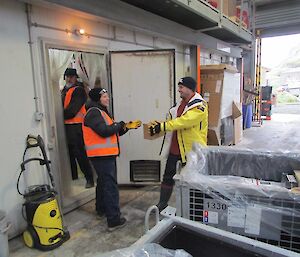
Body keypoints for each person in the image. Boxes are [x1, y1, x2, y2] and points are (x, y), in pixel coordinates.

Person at [82, 87, 141, 231]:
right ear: (97, 98)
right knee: (110, 186)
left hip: (104, 155)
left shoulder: (101, 112)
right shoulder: (94, 113)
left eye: (107, 96)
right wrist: (118, 125)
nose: (107, 98)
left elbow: (112, 133)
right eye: (104, 96)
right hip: (101, 156)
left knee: (103, 183)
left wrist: (126, 127)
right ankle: (114, 220)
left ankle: (101, 209)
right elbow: (104, 131)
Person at [148, 77, 208, 211]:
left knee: (192, 180)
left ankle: (193, 208)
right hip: (175, 148)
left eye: (182, 87)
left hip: (191, 150)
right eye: (179, 86)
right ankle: (162, 204)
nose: (179, 89)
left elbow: (184, 121)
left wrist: (163, 126)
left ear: (190, 89)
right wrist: (159, 126)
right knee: (168, 177)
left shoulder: (200, 105)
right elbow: (173, 121)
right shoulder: (179, 104)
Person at [61, 68, 94, 188]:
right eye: (67, 76)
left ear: (76, 78)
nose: (69, 78)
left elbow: (71, 111)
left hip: (76, 126)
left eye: (71, 76)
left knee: (79, 153)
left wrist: (59, 115)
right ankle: (74, 178)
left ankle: (89, 178)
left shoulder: (78, 90)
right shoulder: (64, 91)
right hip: (67, 126)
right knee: (69, 154)